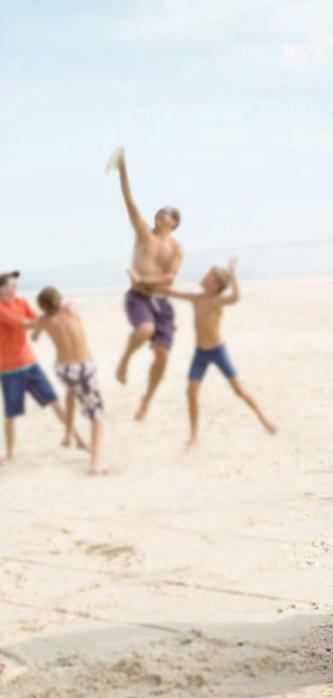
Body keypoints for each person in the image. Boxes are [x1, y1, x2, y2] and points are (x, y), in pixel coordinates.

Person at [159, 258, 276, 448]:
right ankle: (194, 435)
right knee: (191, 392)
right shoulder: (196, 298)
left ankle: (264, 419)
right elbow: (172, 292)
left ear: (215, 285)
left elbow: (235, 297)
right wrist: (148, 283)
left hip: (217, 351)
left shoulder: (217, 300)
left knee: (238, 390)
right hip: (200, 353)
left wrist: (233, 276)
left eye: (208, 276)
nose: (203, 277)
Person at [108, 147, 183, 421]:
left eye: (165, 213)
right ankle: (124, 362)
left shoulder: (176, 248)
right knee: (144, 329)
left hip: (161, 302)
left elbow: (169, 278)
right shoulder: (143, 232)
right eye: (159, 211)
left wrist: (143, 278)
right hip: (138, 298)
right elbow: (130, 200)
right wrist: (123, 170)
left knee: (162, 357)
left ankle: (146, 401)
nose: (159, 214)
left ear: (174, 222)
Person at [0, 270, 83, 464]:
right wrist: (54, 314)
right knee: (11, 414)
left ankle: (78, 439)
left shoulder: (21, 302)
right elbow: (24, 324)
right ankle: (10, 454)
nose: (13, 288)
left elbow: (37, 318)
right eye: (8, 285)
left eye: (14, 285)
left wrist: (57, 312)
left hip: (30, 364)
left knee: (55, 401)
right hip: (8, 369)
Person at [32, 287, 109, 474]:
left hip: (63, 369)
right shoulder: (71, 309)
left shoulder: (44, 320)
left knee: (71, 392)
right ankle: (96, 464)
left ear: (42, 306)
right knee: (97, 416)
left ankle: (68, 435)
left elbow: (34, 338)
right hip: (83, 368)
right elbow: (67, 301)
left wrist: (41, 321)